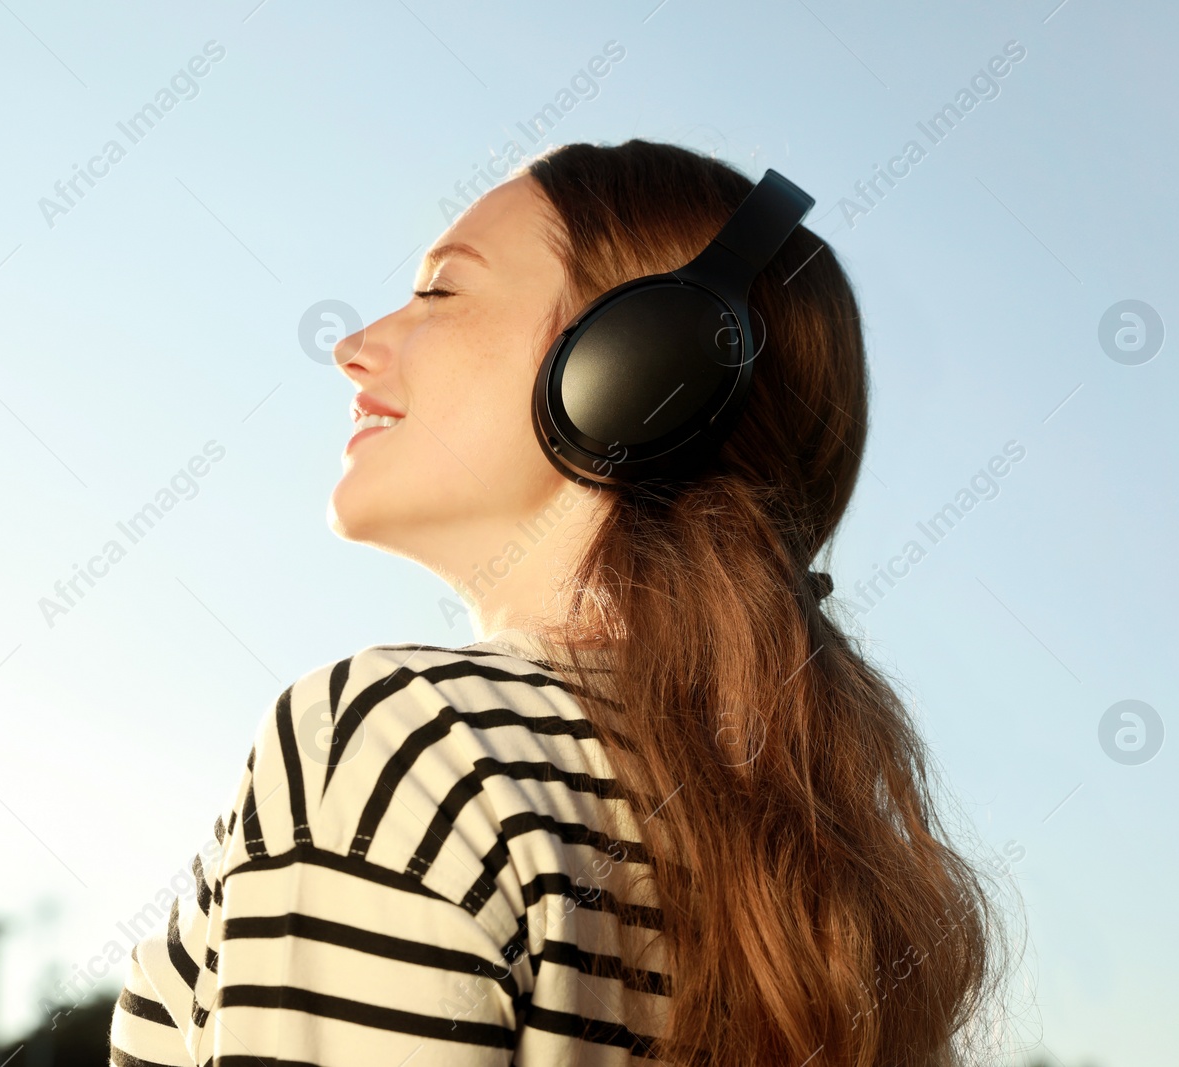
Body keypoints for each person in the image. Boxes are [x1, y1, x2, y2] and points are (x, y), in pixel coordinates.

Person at [107, 139, 1001, 1066]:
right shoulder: (821, 863)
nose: (351, 347)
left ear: (645, 361)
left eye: (440, 291)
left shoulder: (408, 743)